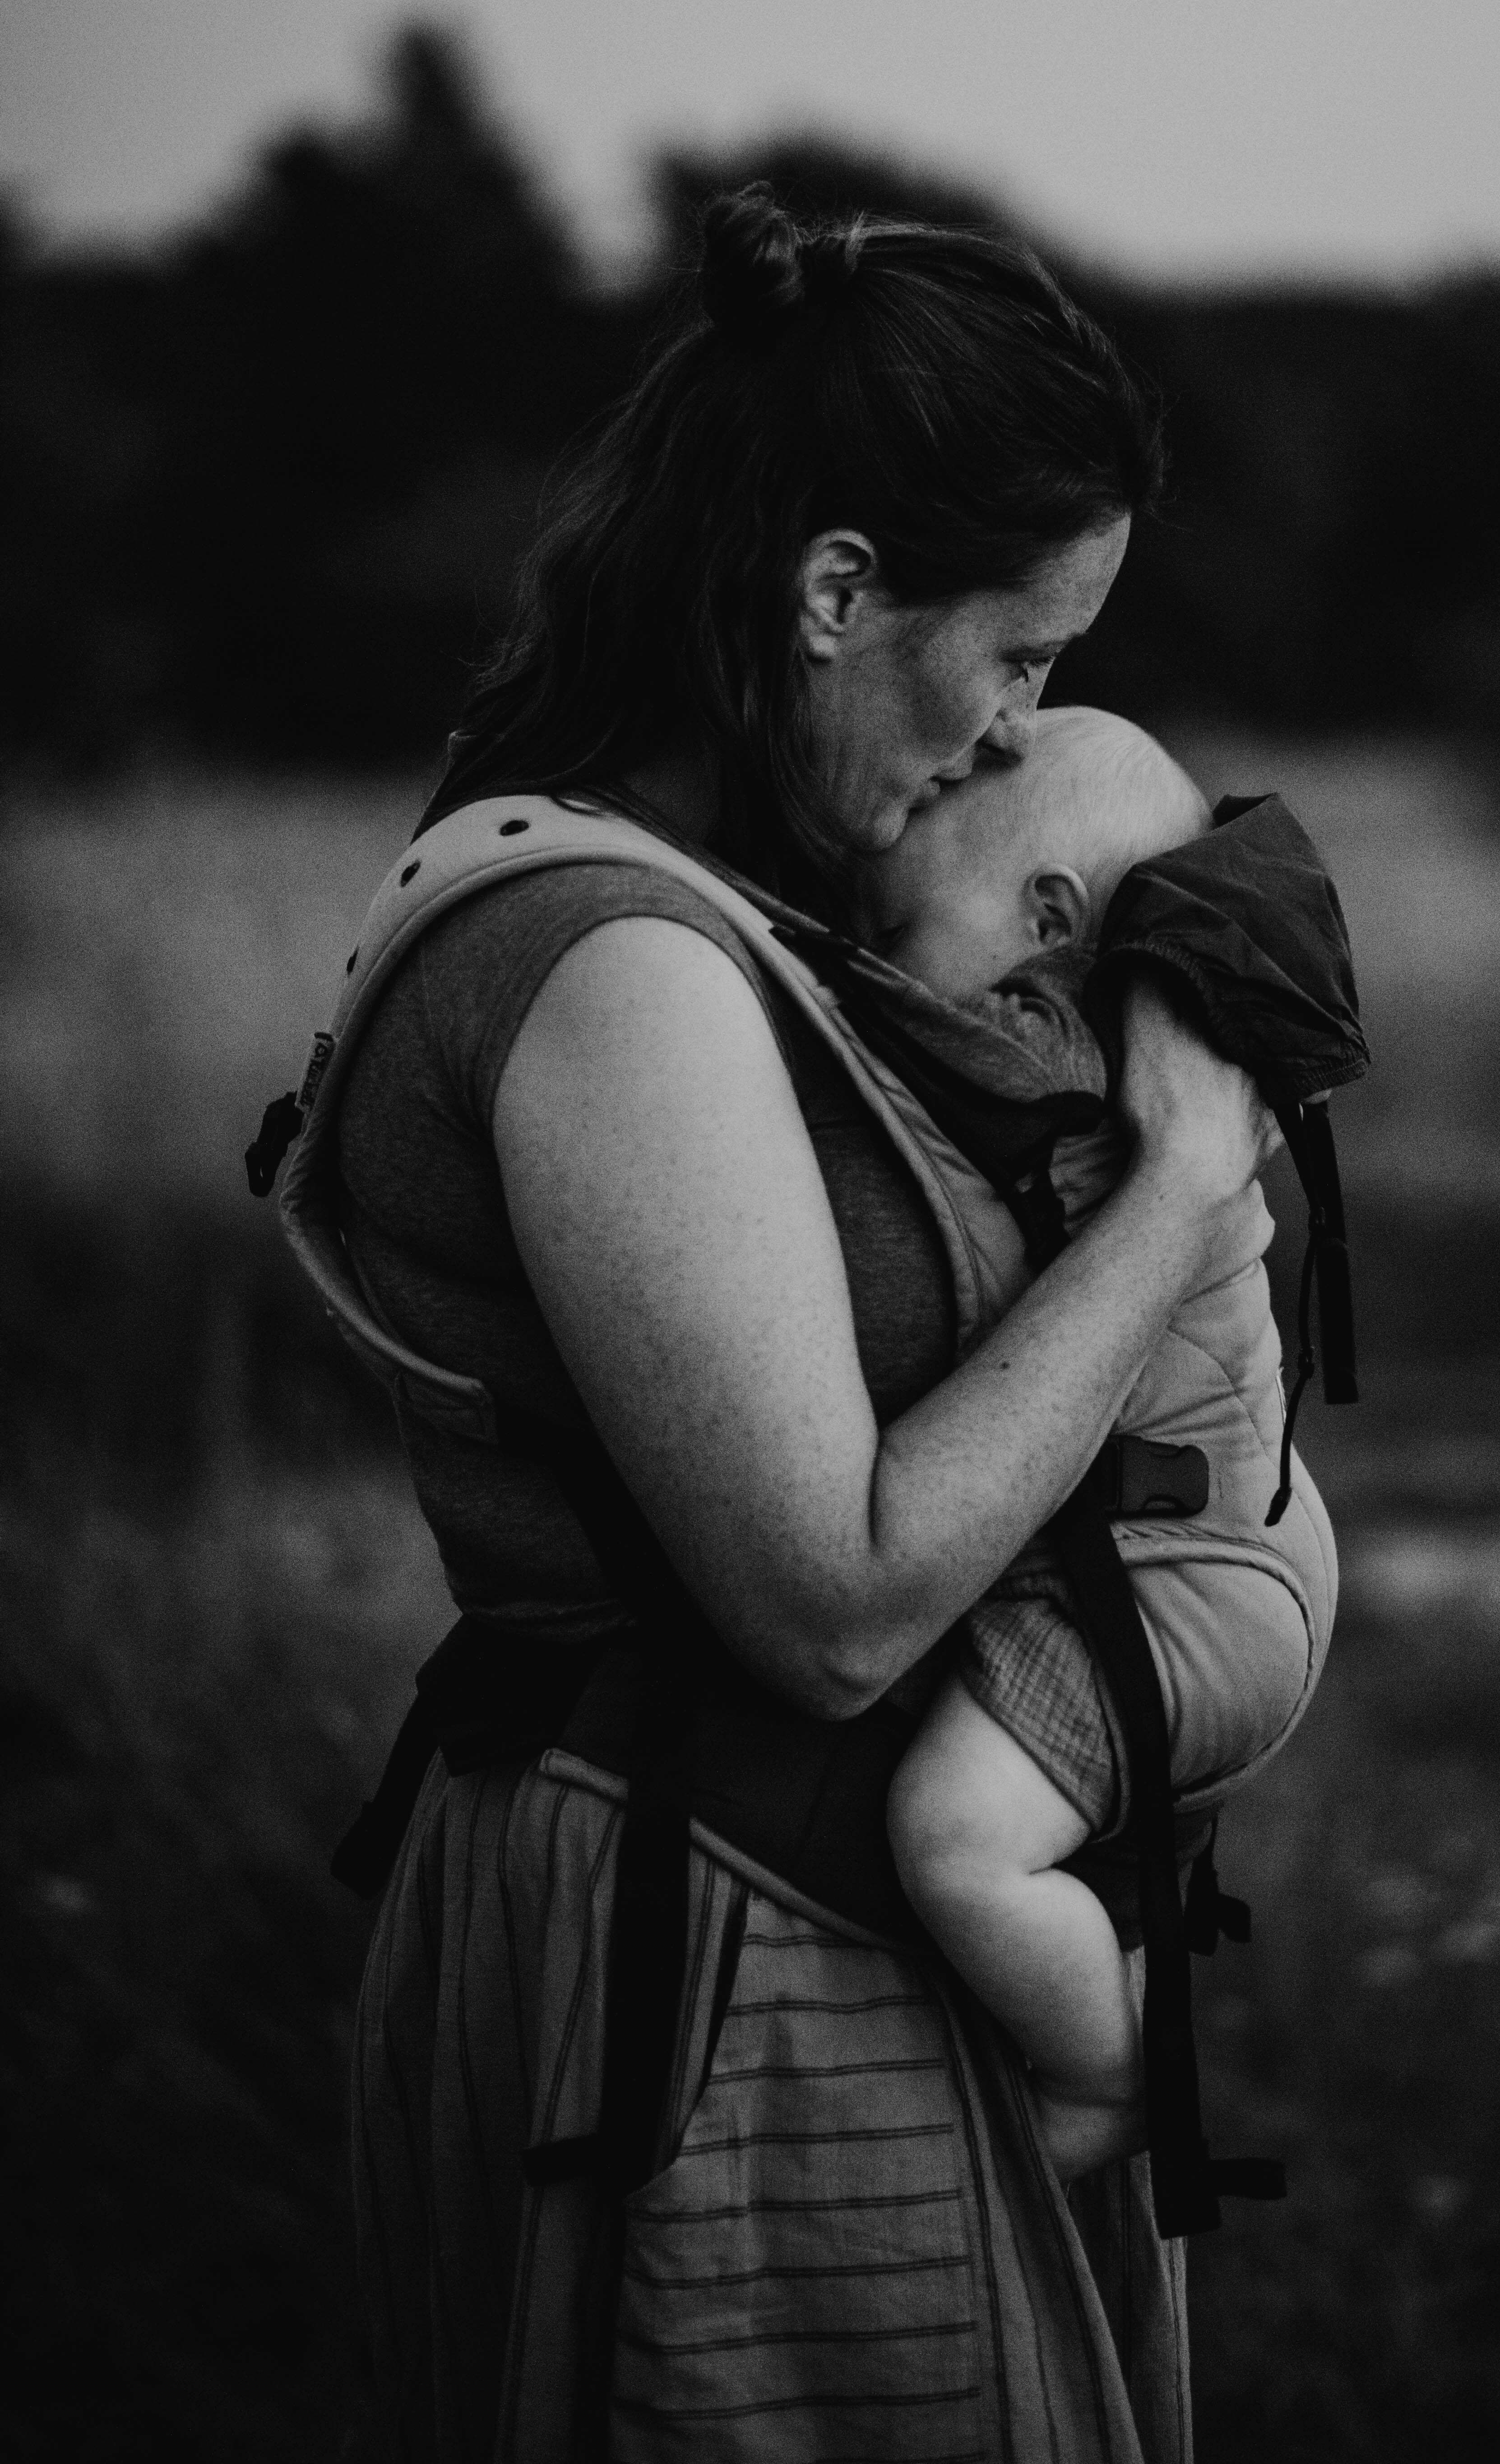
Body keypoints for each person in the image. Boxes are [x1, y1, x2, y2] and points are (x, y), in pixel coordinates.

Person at [325, 185, 1279, 2461]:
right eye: (1017, 657)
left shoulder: (741, 901)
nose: (1021, 733)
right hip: (717, 1970)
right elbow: (833, 1604)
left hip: (821, 1937)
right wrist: (1180, 1178)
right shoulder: (615, 965)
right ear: (836, 591)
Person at [847, 705, 1337, 2185]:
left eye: (895, 924)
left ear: (1050, 923)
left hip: (1175, 1581)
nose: (868, 953)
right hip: (1228, 1542)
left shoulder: (1048, 1048)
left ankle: (1103, 2071)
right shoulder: (1161, 1052)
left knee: (953, 1840)